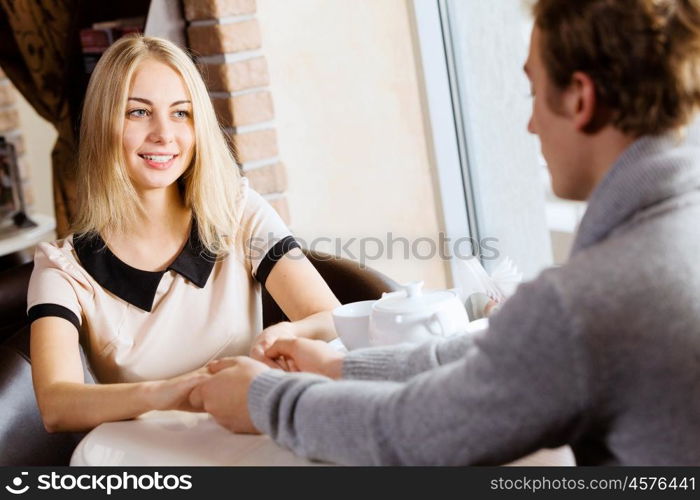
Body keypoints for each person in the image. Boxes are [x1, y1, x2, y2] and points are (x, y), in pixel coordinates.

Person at [189, 0, 700, 465]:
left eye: (534, 91)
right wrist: (341, 368)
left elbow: (409, 432)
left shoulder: (591, 300)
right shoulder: (672, 234)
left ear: (580, 99)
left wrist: (265, 402)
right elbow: (504, 357)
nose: (529, 125)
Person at [27, 35, 341, 433]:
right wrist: (175, 392)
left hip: (254, 438)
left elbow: (329, 316)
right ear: (102, 124)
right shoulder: (62, 270)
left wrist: (287, 332)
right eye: (138, 113)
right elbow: (56, 404)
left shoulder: (239, 212)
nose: (164, 133)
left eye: (181, 113)